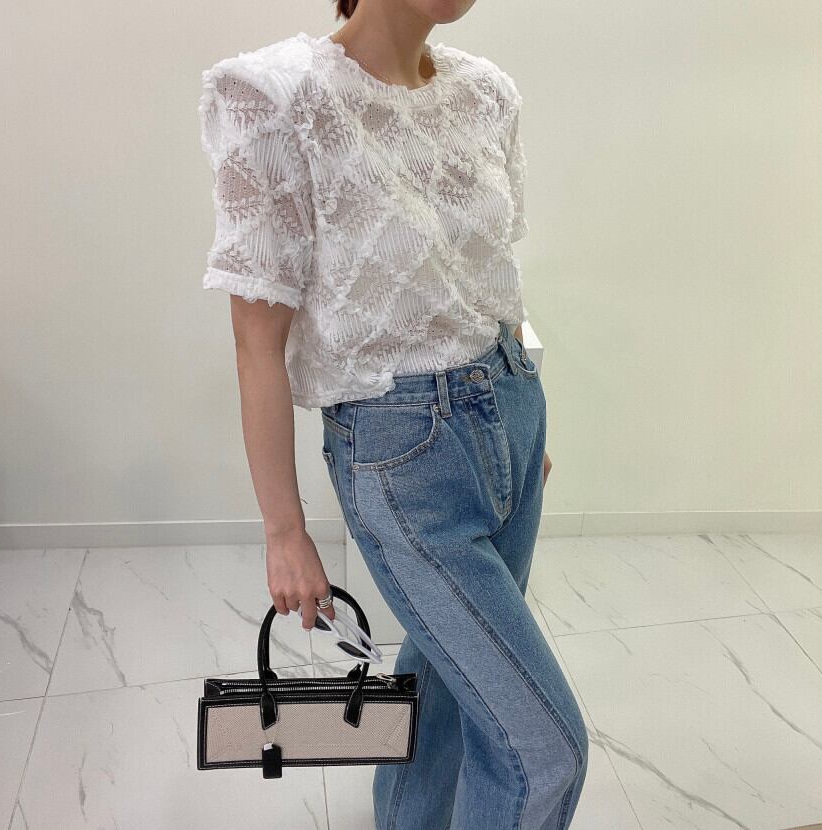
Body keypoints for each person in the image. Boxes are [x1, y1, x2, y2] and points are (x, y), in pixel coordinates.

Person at [197, 0, 587, 826]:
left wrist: (522, 418)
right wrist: (284, 531)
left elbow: (492, 274)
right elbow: (256, 341)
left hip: (512, 413)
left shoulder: (485, 93)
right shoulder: (277, 97)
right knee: (544, 749)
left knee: (448, 689)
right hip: (403, 457)